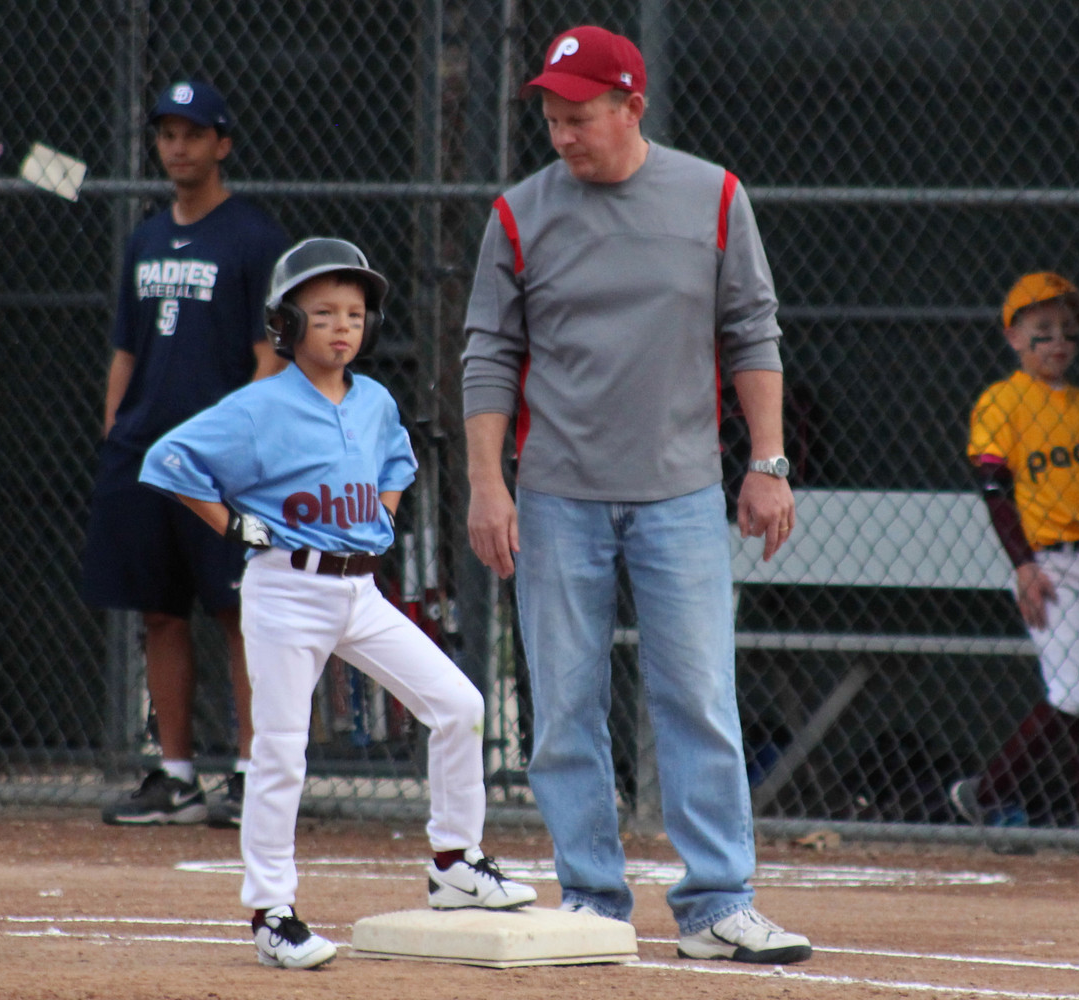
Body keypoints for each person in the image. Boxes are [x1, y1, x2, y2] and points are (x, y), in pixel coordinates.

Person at [461, 26, 812, 964]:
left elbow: (753, 330)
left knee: (699, 697)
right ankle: (591, 901)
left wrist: (768, 462)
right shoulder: (519, 212)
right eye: (551, 117)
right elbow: (488, 353)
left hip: (681, 493)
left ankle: (717, 905)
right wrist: (488, 485)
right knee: (564, 707)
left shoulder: (714, 195)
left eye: (579, 116)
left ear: (632, 107)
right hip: (556, 495)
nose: (562, 135)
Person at [140, 237, 536, 969]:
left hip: (360, 590)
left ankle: (455, 862)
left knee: (459, 705)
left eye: (354, 314)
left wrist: (380, 514)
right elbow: (169, 460)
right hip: (287, 590)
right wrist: (234, 525)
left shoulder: (375, 400)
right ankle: (272, 912)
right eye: (322, 314)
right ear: (286, 325)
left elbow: (398, 462)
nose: (342, 327)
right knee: (280, 752)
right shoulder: (261, 404)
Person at [81, 80, 289, 827]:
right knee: (160, 614)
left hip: (221, 465)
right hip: (145, 455)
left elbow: (270, 356)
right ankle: (175, 777)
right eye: (167, 134)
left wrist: (234, 443)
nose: (177, 147)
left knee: (240, 611)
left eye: (193, 134)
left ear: (221, 144)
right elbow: (126, 349)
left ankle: (253, 775)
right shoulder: (144, 238)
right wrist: (117, 431)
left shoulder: (254, 237)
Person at [950, 272, 1079, 829]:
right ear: (1013, 336)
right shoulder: (1003, 402)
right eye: (1043, 328)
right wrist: (1024, 565)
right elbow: (994, 490)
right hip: (1049, 565)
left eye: (1068, 329)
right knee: (1076, 694)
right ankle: (986, 791)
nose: (1059, 340)